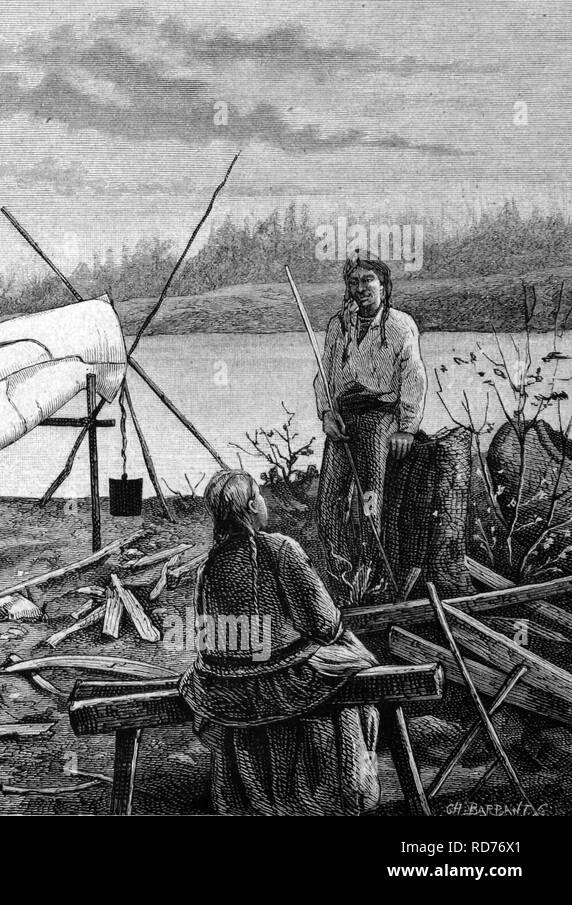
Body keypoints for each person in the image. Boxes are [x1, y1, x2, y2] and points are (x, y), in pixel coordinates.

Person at [180, 471, 381, 815]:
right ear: (250, 506)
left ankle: (260, 796)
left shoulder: (207, 567)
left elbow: (209, 642)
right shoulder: (283, 549)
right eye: (258, 495)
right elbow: (325, 623)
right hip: (289, 680)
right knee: (353, 661)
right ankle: (334, 788)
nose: (263, 501)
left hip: (229, 690)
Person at [313, 254, 426, 598]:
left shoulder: (399, 325)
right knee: (329, 499)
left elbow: (414, 377)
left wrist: (407, 427)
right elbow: (325, 374)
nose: (360, 289)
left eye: (368, 281)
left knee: (370, 499)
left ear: (383, 285)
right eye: (354, 282)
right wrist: (327, 414)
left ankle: (372, 573)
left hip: (382, 415)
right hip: (345, 416)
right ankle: (340, 572)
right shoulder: (338, 325)